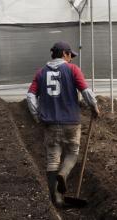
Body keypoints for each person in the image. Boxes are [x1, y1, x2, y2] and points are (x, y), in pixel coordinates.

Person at [26, 41, 100, 207]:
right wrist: (94, 107)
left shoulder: (41, 73)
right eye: (70, 56)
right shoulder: (72, 69)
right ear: (65, 54)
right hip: (71, 121)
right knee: (73, 152)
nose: (71, 59)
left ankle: (57, 199)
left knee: (53, 159)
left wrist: (37, 115)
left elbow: (30, 96)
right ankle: (64, 174)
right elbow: (86, 91)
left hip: (50, 124)